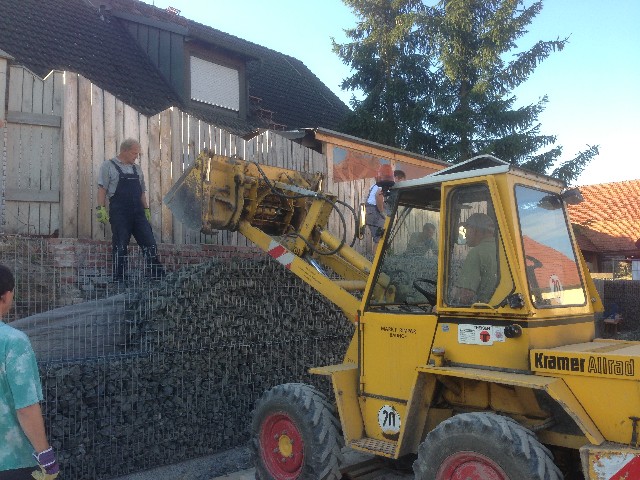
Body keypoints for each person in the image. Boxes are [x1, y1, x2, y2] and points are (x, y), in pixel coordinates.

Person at [0, 265, 59, 480]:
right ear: (7, 295)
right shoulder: (13, 342)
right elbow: (26, 408)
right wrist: (46, 458)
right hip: (11, 461)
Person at [97, 138, 165, 282]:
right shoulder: (108, 166)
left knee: (150, 243)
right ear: (124, 151)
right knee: (121, 245)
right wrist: (101, 208)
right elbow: (102, 188)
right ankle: (119, 279)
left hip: (138, 213)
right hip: (120, 213)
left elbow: (142, 192)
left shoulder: (137, 169)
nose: (136, 156)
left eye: (138, 154)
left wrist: (146, 208)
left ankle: (158, 277)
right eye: (134, 153)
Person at [454, 213, 498, 304]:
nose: (465, 235)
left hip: (483, 309)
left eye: (466, 230)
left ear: (473, 229)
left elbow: (464, 296)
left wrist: (449, 295)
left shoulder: (476, 253)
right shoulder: (501, 249)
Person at [365, 169, 406, 252]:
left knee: (380, 240)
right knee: (380, 240)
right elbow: (378, 195)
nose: (401, 184)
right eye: (401, 181)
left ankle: (375, 257)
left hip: (371, 212)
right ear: (396, 178)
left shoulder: (377, 185)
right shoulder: (385, 184)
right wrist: (382, 211)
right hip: (375, 212)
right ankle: (375, 258)